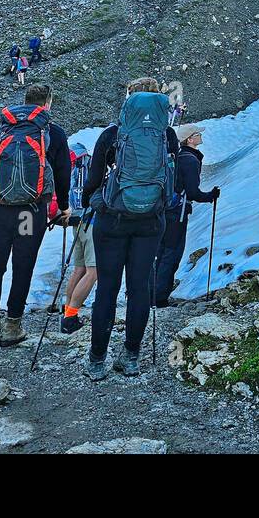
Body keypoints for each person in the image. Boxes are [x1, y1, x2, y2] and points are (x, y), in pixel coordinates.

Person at [82, 77, 176, 379]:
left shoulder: (113, 134)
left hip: (113, 220)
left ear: (129, 100)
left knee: (107, 289)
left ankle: (97, 360)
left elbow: (94, 178)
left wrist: (92, 201)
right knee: (139, 289)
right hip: (151, 222)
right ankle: (131, 357)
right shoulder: (167, 135)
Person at [0, 84, 71, 347]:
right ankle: (14, 324)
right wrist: (64, 206)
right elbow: (63, 173)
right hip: (30, 212)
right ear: (47, 104)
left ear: (25, 101)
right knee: (22, 267)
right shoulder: (53, 133)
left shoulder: (1, 131)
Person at [153, 123, 219, 307]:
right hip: (177, 213)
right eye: (197, 134)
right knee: (172, 254)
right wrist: (210, 196)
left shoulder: (176, 157)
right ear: (189, 139)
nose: (200, 136)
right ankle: (159, 298)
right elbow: (192, 192)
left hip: (163, 211)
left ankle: (150, 294)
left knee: (160, 252)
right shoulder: (190, 159)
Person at [59, 144, 97, 333]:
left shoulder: (72, 165)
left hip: (76, 221)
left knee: (79, 269)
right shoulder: (90, 164)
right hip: (92, 221)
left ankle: (67, 311)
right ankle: (70, 316)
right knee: (93, 272)